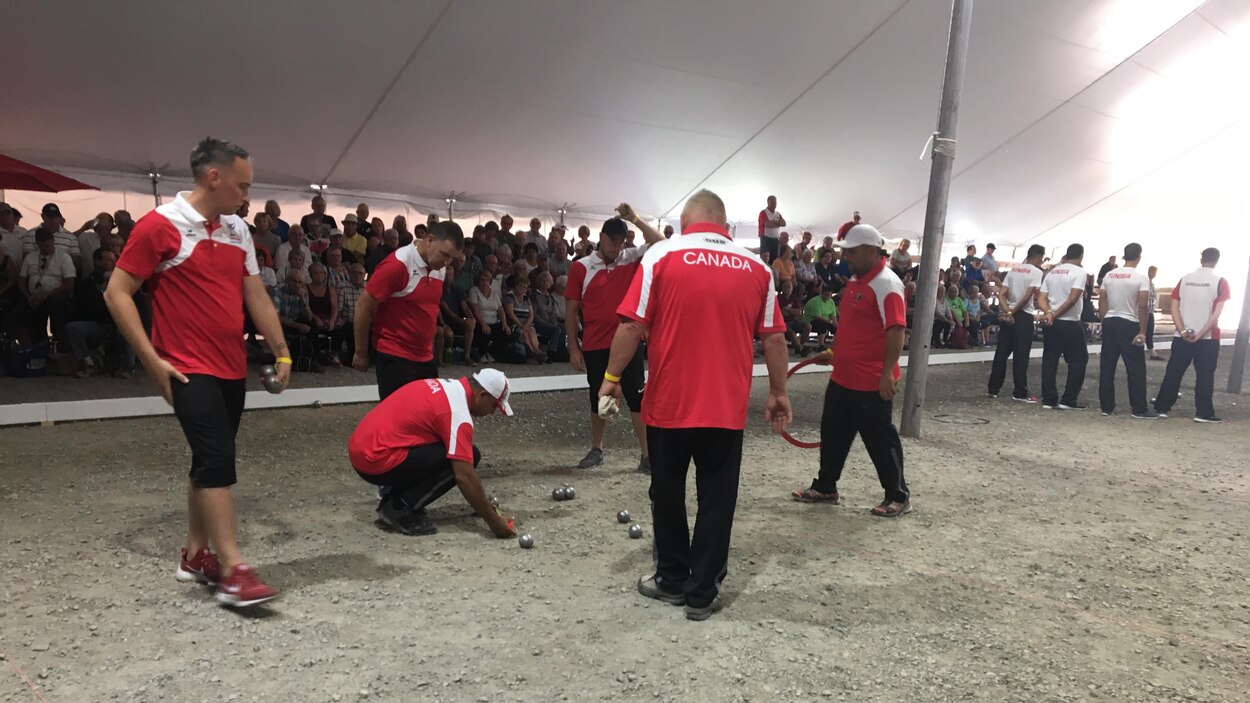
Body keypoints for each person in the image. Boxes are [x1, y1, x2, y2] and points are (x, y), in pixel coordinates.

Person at [105, 137, 291, 608]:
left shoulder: (237, 231)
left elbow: (256, 297)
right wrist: (152, 359)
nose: (248, 196)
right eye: (243, 185)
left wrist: (282, 352)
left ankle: (194, 556)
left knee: (211, 459)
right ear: (214, 178)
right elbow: (116, 292)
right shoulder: (159, 226)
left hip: (230, 366)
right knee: (216, 461)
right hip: (186, 368)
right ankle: (232, 570)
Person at [598, 189, 791, 621]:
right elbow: (774, 337)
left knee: (666, 492)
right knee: (717, 498)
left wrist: (611, 380)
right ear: (723, 225)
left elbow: (631, 326)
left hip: (669, 404)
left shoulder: (663, 256)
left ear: (687, 221)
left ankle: (670, 578)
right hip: (725, 407)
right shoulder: (757, 266)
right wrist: (779, 391)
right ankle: (701, 593)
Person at [791, 222, 911, 517]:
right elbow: (854, 329)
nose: (846, 259)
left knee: (880, 439)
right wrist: (833, 353)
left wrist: (886, 374)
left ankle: (898, 495)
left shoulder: (887, 283)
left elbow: (896, 330)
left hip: (871, 380)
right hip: (844, 377)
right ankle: (825, 487)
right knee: (833, 433)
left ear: (871, 251)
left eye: (852, 253)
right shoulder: (858, 281)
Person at [348, 368, 516, 536]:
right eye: (494, 405)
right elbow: (465, 476)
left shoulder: (445, 386)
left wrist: (483, 504)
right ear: (482, 395)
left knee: (456, 451)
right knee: (466, 458)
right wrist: (495, 523)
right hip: (374, 460)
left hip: (362, 447)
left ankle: (394, 494)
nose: (492, 412)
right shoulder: (457, 412)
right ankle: (397, 507)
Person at [565, 205, 665, 473]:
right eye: (612, 240)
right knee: (599, 398)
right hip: (596, 343)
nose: (617, 246)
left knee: (636, 397)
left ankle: (647, 456)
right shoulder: (581, 267)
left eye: (621, 241)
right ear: (601, 236)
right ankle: (597, 448)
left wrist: (634, 218)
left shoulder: (630, 258)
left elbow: (661, 242)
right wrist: (573, 347)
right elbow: (571, 310)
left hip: (629, 342)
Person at [353, 221, 464, 399]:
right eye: (444, 254)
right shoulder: (398, 265)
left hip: (426, 355)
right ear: (429, 240)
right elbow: (363, 306)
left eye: (452, 258)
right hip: (395, 355)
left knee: (427, 414)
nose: (447, 262)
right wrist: (361, 352)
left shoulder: (439, 267)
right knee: (398, 418)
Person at [1153, 247, 1231, 423]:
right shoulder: (1220, 282)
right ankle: (1203, 412)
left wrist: (1181, 330)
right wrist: (1201, 333)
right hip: (1208, 338)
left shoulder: (1185, 279)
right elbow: (1216, 314)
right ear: (1217, 260)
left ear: (1201, 259)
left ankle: (1162, 407)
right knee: (1205, 375)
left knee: (1174, 371)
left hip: (1182, 336)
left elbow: (1174, 307)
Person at [1097, 243, 1155, 418]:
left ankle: (1106, 407)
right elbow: (1143, 305)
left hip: (1110, 320)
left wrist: (1104, 321)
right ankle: (1138, 408)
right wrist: (1143, 330)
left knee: (1107, 366)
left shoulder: (1109, 275)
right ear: (1139, 257)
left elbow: (1102, 301)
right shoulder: (1141, 277)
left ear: (1124, 256)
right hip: (1129, 323)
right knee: (1135, 367)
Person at [987, 244, 1045, 402]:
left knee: (1001, 353)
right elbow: (1027, 297)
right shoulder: (1037, 272)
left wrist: (1007, 312)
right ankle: (1020, 392)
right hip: (1024, 316)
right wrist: (1013, 312)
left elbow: (1001, 294)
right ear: (1039, 257)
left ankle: (993, 389)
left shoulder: (1013, 270)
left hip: (1009, 315)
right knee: (1021, 356)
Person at [1036, 243, 1089, 410]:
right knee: (1078, 360)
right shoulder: (1080, 272)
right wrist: (1055, 314)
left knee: (1050, 359)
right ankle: (1068, 399)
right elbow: (1073, 299)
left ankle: (1049, 399)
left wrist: (1049, 313)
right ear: (1081, 256)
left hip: (1051, 323)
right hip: (1070, 322)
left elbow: (1041, 298)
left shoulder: (1052, 272)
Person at [67, 248, 135, 377]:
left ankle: (129, 366)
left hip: (120, 324)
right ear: (97, 261)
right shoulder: (88, 284)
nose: (112, 263)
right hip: (99, 324)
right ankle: (87, 362)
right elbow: (83, 307)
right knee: (73, 328)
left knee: (126, 330)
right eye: (108, 260)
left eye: (113, 260)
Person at [15, 227, 76, 347]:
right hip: (33, 295)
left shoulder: (63, 257)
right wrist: (28, 297)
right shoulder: (30, 257)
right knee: (19, 312)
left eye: (48, 243)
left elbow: (69, 283)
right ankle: (31, 343)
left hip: (55, 295)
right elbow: (22, 281)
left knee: (57, 304)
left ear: (52, 241)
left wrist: (46, 294)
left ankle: (59, 342)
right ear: (37, 243)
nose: (46, 246)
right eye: (42, 243)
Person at [802, 284, 838, 349]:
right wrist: (830, 321)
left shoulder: (831, 302)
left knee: (836, 327)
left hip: (826, 320)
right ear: (822, 293)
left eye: (829, 295)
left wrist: (836, 323)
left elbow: (833, 315)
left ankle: (836, 345)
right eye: (826, 295)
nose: (827, 297)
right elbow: (817, 316)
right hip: (811, 320)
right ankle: (821, 345)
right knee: (822, 324)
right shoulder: (816, 301)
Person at [757, 195, 785, 264]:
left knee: (774, 258)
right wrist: (778, 223)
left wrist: (773, 222)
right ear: (768, 203)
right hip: (766, 238)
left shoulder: (778, 214)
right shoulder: (763, 212)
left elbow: (784, 223)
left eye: (775, 203)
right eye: (772, 203)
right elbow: (767, 224)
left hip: (775, 239)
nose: (774, 204)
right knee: (765, 258)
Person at [1146, 265, 1163, 361]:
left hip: (1150, 311)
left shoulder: (1152, 284)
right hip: (1146, 311)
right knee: (1147, 331)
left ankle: (1152, 352)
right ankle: (1152, 352)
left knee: (1149, 331)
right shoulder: (1146, 283)